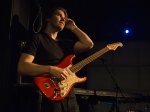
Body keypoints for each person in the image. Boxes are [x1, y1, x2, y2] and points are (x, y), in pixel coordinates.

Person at [17, 7, 94, 112]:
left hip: (69, 96)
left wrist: (73, 27)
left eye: (65, 18)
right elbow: (22, 67)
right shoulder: (38, 38)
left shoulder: (64, 43)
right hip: (49, 94)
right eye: (59, 15)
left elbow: (88, 44)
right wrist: (50, 69)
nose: (63, 19)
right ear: (48, 18)